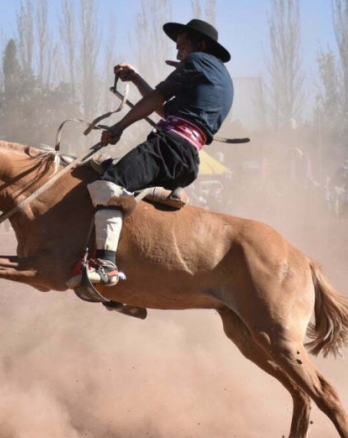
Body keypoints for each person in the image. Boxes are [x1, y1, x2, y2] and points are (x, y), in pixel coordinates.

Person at [82, 18, 234, 286]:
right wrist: (137, 78)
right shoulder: (218, 76)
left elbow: (156, 100)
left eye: (181, 46)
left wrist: (118, 127)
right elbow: (165, 109)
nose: (178, 53)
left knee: (108, 185)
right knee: (120, 186)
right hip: (186, 159)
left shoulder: (197, 61)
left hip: (168, 147)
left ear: (200, 45)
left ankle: (106, 267)